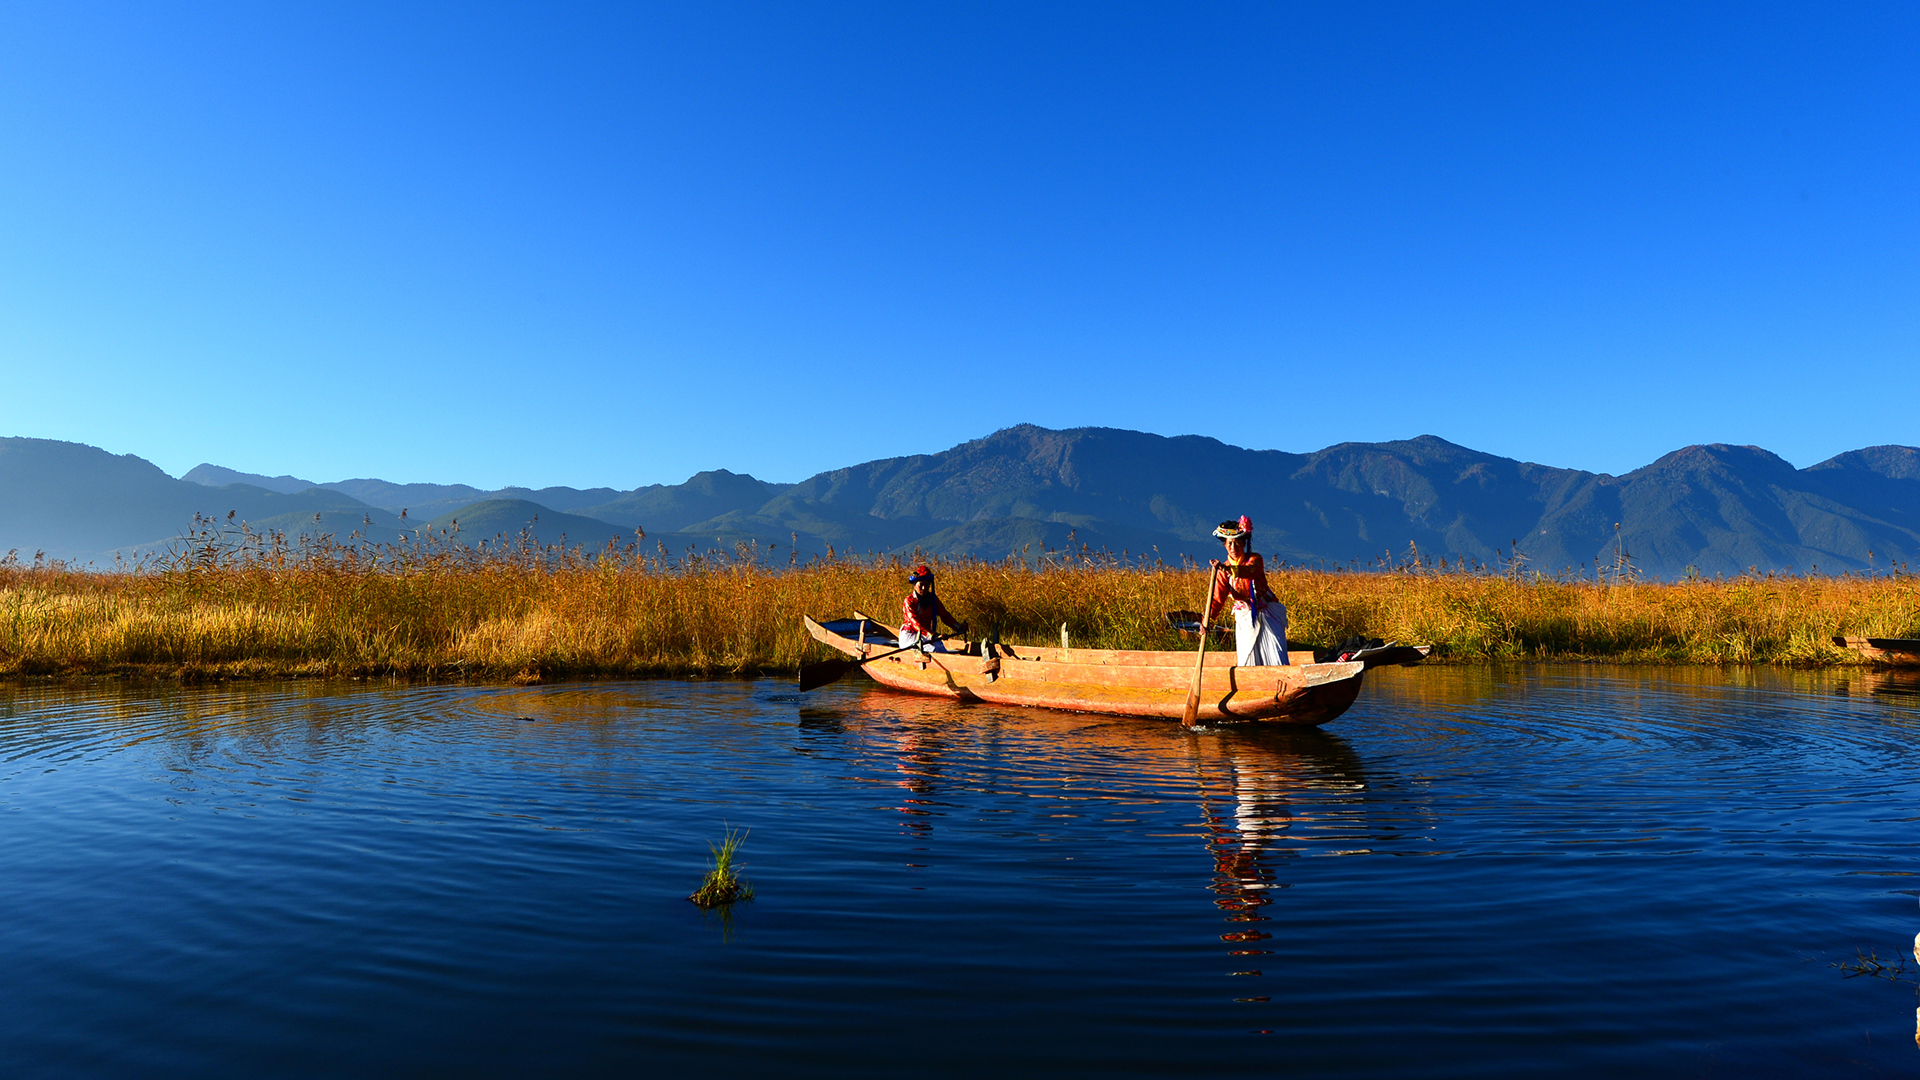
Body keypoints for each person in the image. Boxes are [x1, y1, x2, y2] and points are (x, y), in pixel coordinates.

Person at [1207, 516, 1288, 666]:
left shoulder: (1255, 559)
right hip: (1245, 616)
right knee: (1247, 655)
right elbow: (1218, 598)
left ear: (1244, 543)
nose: (1233, 547)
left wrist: (1226, 569)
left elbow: (1250, 571)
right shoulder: (1222, 570)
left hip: (1267, 612)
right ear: (1224, 545)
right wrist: (1207, 621)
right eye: (1229, 543)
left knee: (1276, 652)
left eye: (1237, 542)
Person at [900, 564, 966, 652]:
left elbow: (944, 615)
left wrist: (958, 627)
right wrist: (934, 635)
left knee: (942, 650)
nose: (924, 588)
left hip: (927, 635)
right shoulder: (909, 601)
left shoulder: (933, 599)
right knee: (934, 650)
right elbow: (915, 623)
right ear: (914, 585)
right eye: (921, 585)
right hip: (911, 635)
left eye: (926, 585)